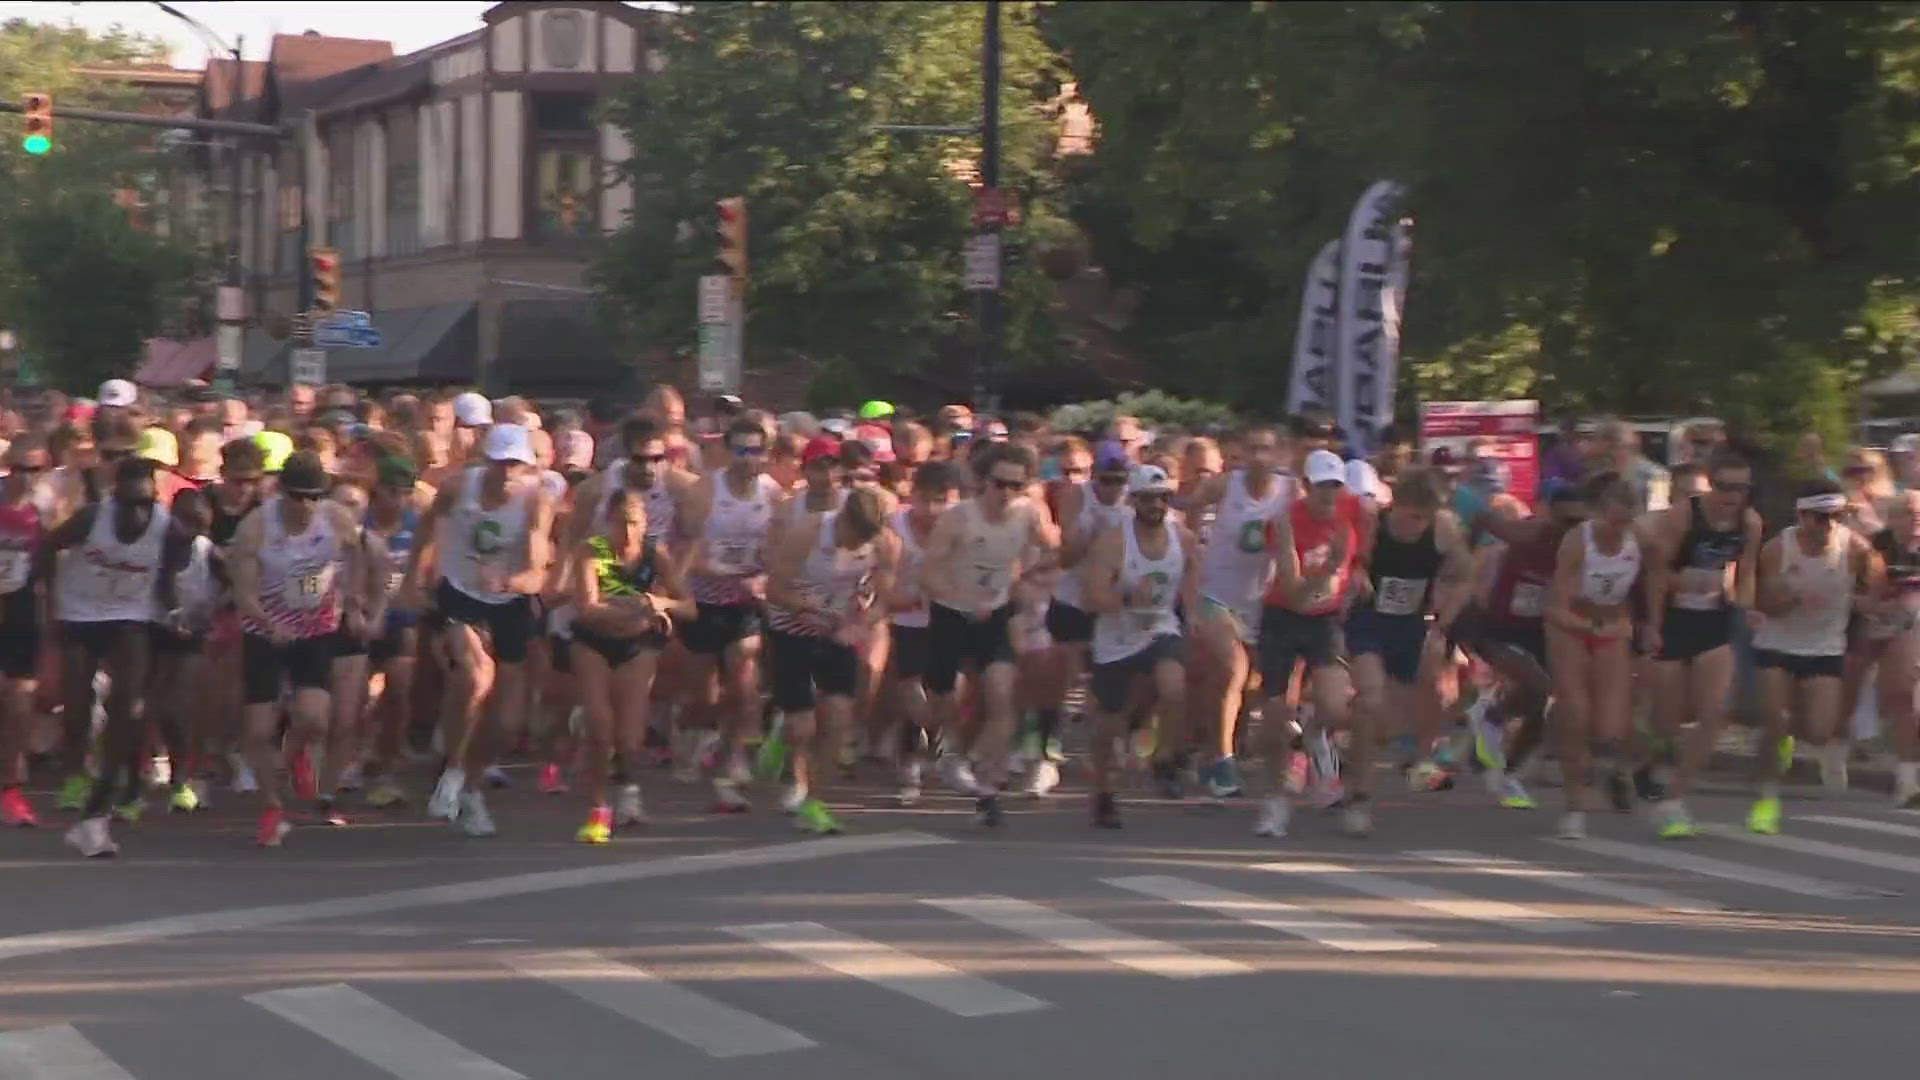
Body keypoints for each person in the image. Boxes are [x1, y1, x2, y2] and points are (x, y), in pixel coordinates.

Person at [407, 423, 557, 837]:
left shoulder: (535, 502)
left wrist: (510, 582)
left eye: (516, 464)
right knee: (475, 677)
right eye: (501, 463)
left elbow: (535, 572)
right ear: (486, 461)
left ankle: (471, 788)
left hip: (508, 603)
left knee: (507, 720)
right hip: (459, 592)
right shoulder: (459, 488)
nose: (508, 472)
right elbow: (426, 526)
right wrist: (412, 578)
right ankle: (452, 770)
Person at [43, 455, 193, 857]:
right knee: (77, 705)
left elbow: (167, 579)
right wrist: (49, 605)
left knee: (128, 704)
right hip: (78, 612)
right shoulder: (93, 517)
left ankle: (106, 798)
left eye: (145, 505)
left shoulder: (169, 530)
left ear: (154, 501)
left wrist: (174, 613)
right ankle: (79, 765)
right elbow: (48, 546)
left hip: (130, 615)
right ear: (116, 498)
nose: (136, 514)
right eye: (129, 505)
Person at [226, 451, 366, 843]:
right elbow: (243, 591)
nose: (305, 505)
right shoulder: (256, 527)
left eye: (313, 497)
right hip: (265, 631)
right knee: (257, 730)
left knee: (316, 719)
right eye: (298, 497)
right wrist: (269, 624)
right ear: (281, 493)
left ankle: (298, 752)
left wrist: (353, 602)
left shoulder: (336, 518)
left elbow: (358, 554)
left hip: (315, 629)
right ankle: (273, 807)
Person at [919, 442, 1058, 825]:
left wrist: (1026, 578)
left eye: (1017, 485)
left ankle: (989, 787)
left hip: (996, 615)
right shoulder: (957, 519)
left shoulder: (1028, 514)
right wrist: (958, 599)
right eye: (1000, 484)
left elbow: (1055, 551)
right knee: (947, 702)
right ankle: (952, 752)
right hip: (953, 613)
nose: (1007, 494)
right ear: (983, 483)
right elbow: (928, 573)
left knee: (1001, 694)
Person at [1641, 451, 1763, 837]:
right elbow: (1657, 574)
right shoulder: (1683, 516)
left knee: (1714, 714)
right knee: (1667, 720)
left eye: (1741, 488)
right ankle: (1646, 761)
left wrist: (1746, 609)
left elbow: (1747, 572)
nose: (1733, 496)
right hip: (1674, 620)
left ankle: (1674, 801)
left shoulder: (1749, 522)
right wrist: (1654, 626)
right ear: (1711, 483)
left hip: (1713, 621)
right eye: (1725, 487)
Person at [763, 485, 898, 834]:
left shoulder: (884, 544)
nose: (857, 547)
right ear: (843, 519)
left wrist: (859, 625)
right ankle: (790, 755)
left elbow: (885, 601)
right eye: (854, 538)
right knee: (802, 726)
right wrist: (806, 608)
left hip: (837, 630)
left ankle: (815, 803)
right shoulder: (807, 533)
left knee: (838, 719)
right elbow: (773, 589)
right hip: (791, 629)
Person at [1747, 480, 1880, 834]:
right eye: (1820, 518)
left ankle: (1789, 737)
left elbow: (1874, 593)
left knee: (1819, 732)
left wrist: (1867, 605)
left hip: (1825, 646)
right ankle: (1766, 798)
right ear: (1801, 516)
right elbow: (1763, 604)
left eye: (1835, 517)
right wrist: (1791, 600)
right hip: (1777, 644)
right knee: (1774, 719)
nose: (1828, 526)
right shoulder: (1778, 549)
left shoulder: (1855, 549)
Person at [569, 486, 696, 843]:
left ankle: (627, 781)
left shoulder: (656, 555)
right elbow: (587, 607)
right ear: (608, 522)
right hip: (594, 641)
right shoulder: (591, 551)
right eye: (621, 523)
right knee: (600, 725)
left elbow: (689, 606)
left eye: (635, 523)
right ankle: (598, 809)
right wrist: (632, 609)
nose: (627, 532)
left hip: (638, 644)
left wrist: (659, 603)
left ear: (646, 524)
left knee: (629, 736)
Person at [1256, 449, 1370, 838]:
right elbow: (1294, 593)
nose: (1329, 495)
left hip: (1325, 622)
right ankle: (1275, 801)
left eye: (1335, 487)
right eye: (1322, 487)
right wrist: (1332, 569)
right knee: (1274, 716)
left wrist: (1352, 570)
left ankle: (1316, 739)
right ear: (1306, 487)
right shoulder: (1286, 522)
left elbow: (1359, 555)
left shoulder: (1347, 523)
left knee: (1337, 708)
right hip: (1283, 618)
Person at [1079, 464, 1200, 828]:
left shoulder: (1183, 537)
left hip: (1159, 627)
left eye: (1163, 498)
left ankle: (1165, 758)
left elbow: (1193, 573)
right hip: (1116, 637)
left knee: (1174, 685)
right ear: (1133, 500)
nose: (1156, 506)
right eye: (1148, 499)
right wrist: (1129, 596)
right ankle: (1104, 793)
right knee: (1107, 724)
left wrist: (1194, 614)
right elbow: (1092, 596)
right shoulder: (1114, 542)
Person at [1348, 468, 1471, 813]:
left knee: (1387, 727)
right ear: (1397, 504)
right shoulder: (1375, 524)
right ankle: (1361, 793)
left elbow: (1465, 577)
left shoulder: (1442, 528)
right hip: (1369, 619)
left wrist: (1443, 624)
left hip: (1409, 625)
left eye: (1424, 518)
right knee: (1371, 699)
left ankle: (1331, 732)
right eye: (1412, 516)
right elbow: (1351, 560)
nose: (1417, 525)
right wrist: (1357, 573)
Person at [1186, 422, 1292, 799]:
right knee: (1233, 670)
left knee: (1247, 685)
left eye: (1266, 449)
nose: (1259, 457)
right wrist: (1194, 546)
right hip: (1217, 594)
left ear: (1279, 455)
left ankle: (1213, 745)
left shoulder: (1289, 491)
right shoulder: (1225, 485)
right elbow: (1194, 505)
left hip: (1262, 600)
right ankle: (1223, 761)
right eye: (1252, 448)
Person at [1544, 471, 1649, 840]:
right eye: (1612, 521)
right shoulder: (1578, 541)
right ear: (1599, 513)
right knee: (1575, 713)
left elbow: (1652, 587)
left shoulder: (1641, 540)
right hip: (1570, 626)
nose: (1616, 530)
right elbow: (1556, 606)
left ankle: (1616, 768)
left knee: (1608, 726)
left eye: (1625, 523)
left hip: (1612, 629)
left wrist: (1643, 626)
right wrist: (1585, 627)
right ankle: (1575, 805)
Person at [1039, 439, 1132, 793]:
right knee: (1063, 673)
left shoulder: (1133, 503)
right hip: (1072, 596)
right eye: (1105, 480)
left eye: (1119, 480)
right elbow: (1066, 556)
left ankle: (1100, 748)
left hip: (1109, 600)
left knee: (1106, 679)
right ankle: (1047, 748)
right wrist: (1085, 533)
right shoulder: (1078, 495)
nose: (1112, 488)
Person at [884, 460, 960, 804]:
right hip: (904, 620)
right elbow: (881, 580)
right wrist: (905, 599)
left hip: (948, 619)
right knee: (911, 689)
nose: (932, 510)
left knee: (947, 693)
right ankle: (910, 765)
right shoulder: (895, 525)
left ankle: (938, 746)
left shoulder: (962, 528)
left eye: (941, 500)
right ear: (912, 495)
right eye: (925, 499)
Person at [0, 437, 49, 827]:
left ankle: (11, 789)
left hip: (23, 609)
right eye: (19, 469)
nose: (26, 477)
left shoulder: (47, 509)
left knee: (20, 700)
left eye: (34, 469)